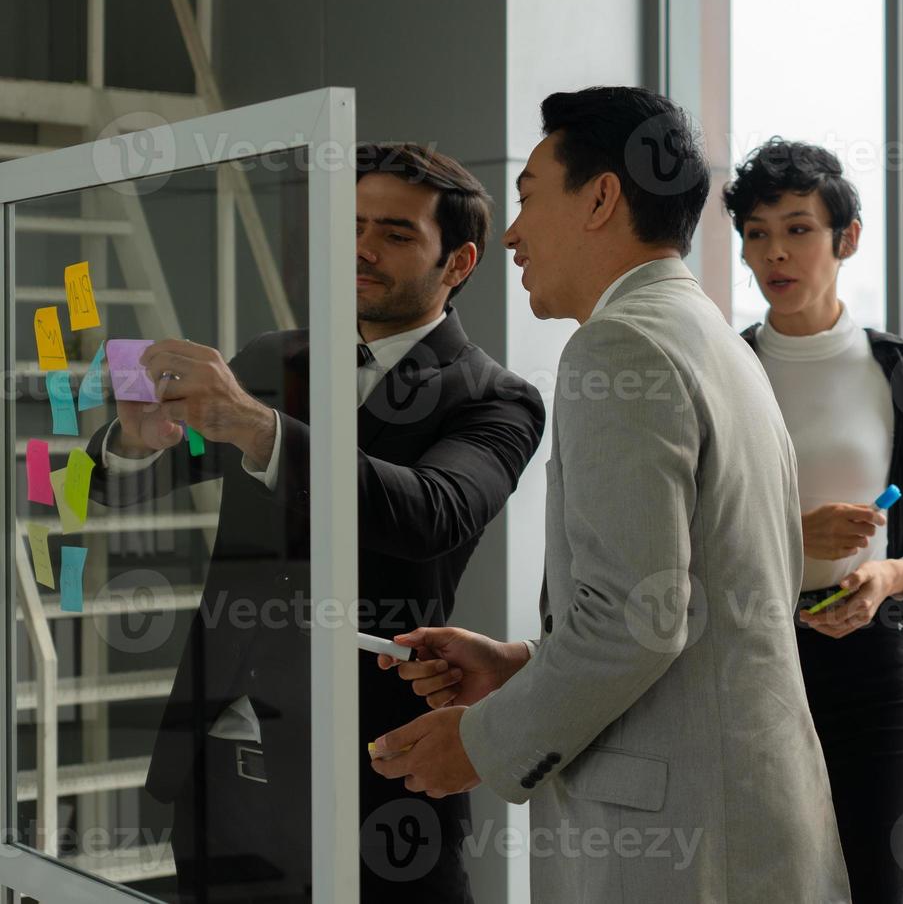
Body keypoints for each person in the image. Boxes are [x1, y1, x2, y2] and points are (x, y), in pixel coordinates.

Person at [370, 87, 850, 903]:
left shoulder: (618, 346)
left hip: (678, 846)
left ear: (600, 197)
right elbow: (689, 608)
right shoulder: (708, 336)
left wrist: (481, 742)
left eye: (526, 198)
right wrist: (523, 665)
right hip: (742, 820)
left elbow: (636, 623)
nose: (513, 234)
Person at [85, 143, 546, 903]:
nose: (363, 248)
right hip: (216, 756)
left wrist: (262, 430)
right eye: (355, 225)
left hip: (376, 769)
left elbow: (433, 512)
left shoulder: (496, 397)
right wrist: (134, 443)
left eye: (396, 234)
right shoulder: (271, 358)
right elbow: (112, 488)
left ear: (458, 263)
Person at [722, 138, 903, 903]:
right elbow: (683, 542)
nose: (774, 254)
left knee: (881, 884)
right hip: (748, 660)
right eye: (756, 234)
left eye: (797, 229)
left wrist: (893, 574)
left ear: (847, 239)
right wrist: (794, 544)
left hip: (871, 668)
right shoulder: (724, 371)